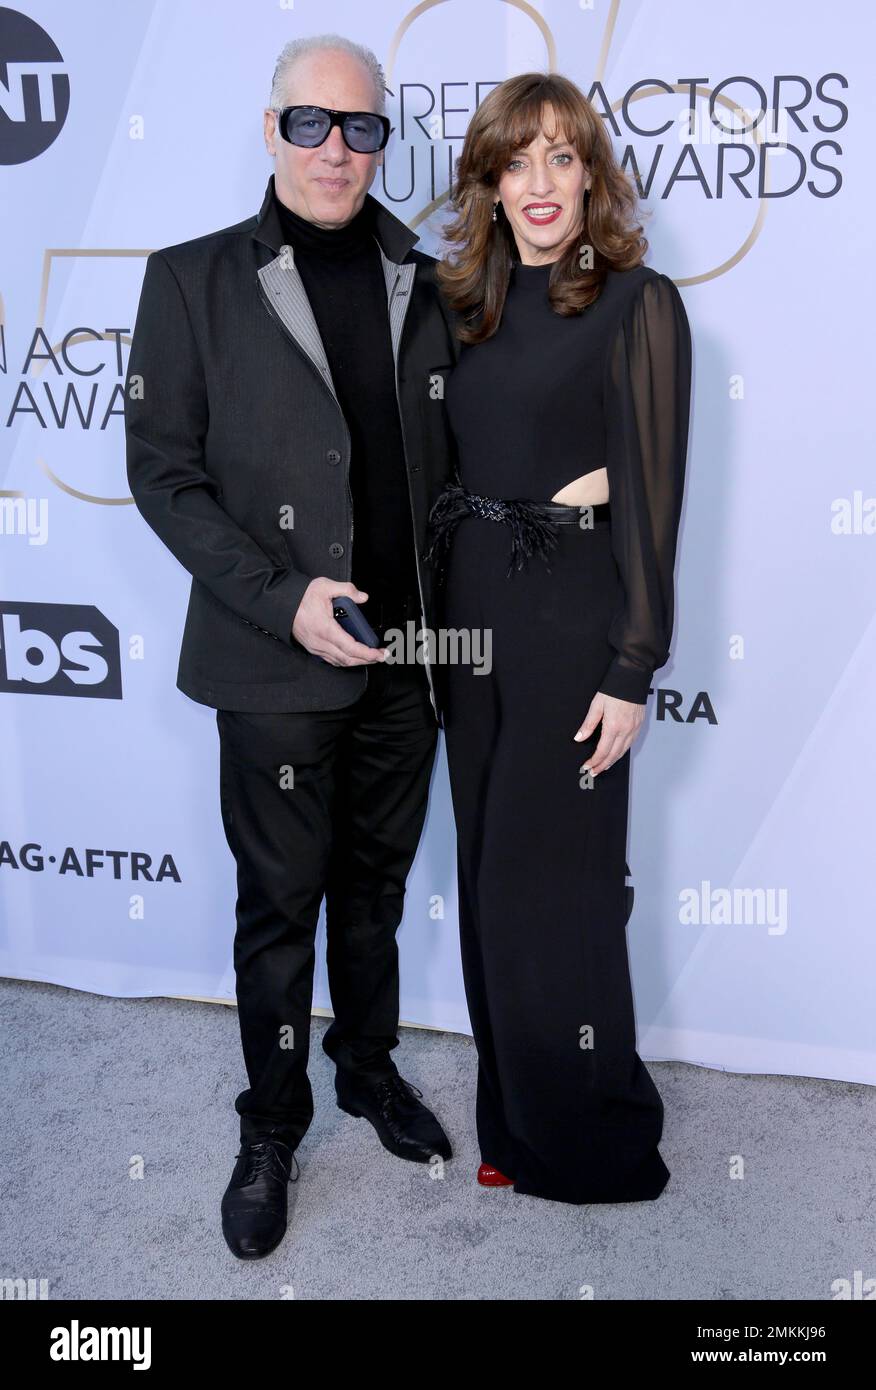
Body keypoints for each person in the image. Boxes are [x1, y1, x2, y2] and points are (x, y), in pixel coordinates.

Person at [124, 34, 460, 1259]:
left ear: (383, 143)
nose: (336, 149)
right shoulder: (190, 280)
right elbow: (162, 477)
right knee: (281, 907)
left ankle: (365, 1071)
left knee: (373, 892)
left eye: (361, 128)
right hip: (274, 660)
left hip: (406, 661)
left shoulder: (425, 282)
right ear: (270, 131)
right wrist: (284, 597)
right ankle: (271, 1124)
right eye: (312, 124)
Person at [425, 73, 692, 1204]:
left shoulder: (638, 302)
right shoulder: (460, 303)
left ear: (593, 174)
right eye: (515, 161)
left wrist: (634, 665)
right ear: (488, 179)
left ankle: (595, 1140)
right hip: (467, 622)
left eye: (561, 158)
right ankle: (516, 1127)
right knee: (491, 879)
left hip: (571, 618)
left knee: (565, 889)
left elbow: (652, 499)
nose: (539, 184)